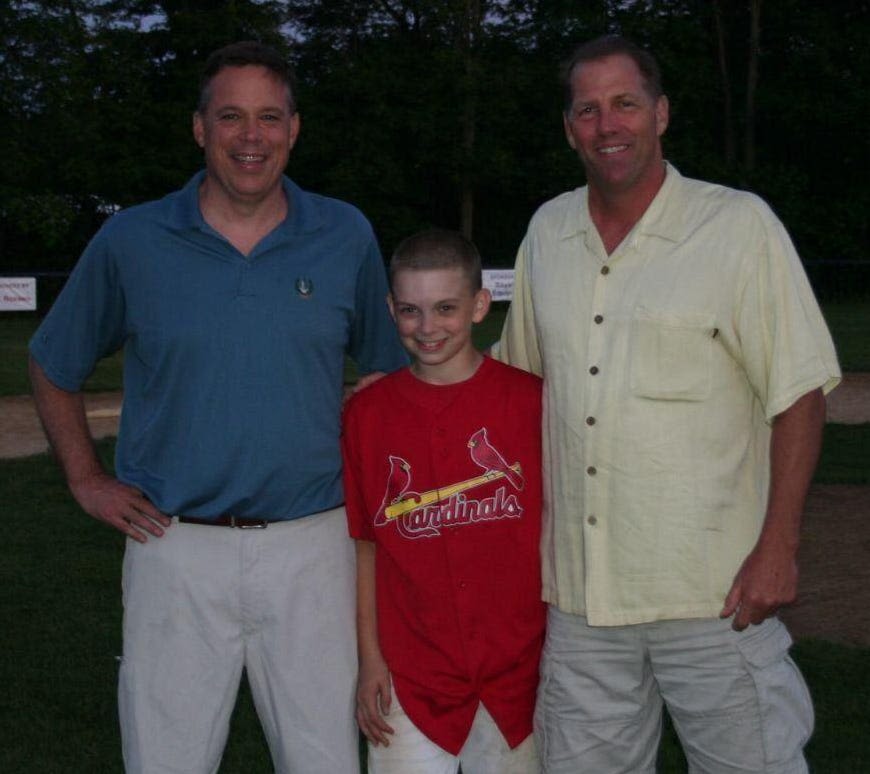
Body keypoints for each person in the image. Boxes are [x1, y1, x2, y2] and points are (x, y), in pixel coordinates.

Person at [28, 41, 407, 773]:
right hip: (174, 546)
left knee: (325, 758)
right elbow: (52, 361)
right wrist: (85, 479)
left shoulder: (344, 233)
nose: (251, 136)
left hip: (314, 545)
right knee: (165, 759)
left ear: (294, 129)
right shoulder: (134, 238)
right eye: (230, 116)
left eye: (269, 117)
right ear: (199, 128)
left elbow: (389, 374)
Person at [494, 35, 841, 773]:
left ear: (660, 113)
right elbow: (512, 386)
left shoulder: (737, 226)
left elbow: (800, 393)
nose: (607, 124)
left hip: (713, 591)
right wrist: (401, 395)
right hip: (582, 599)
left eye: (625, 103)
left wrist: (778, 546)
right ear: (568, 128)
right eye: (587, 110)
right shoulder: (547, 233)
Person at [342, 229, 546, 774]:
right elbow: (366, 547)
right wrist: (370, 661)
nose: (427, 328)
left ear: (480, 305)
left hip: (516, 671)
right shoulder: (368, 415)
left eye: (445, 308)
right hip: (412, 673)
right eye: (410, 310)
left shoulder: (529, 401)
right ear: (391, 309)